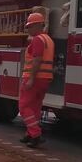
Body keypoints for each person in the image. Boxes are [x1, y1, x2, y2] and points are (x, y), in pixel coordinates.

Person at [18, 13, 54, 148]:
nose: (29, 29)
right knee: (35, 107)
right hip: (45, 79)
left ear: (39, 25)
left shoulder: (38, 39)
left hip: (35, 78)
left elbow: (37, 59)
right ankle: (30, 133)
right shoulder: (48, 40)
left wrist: (31, 78)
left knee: (24, 106)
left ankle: (35, 134)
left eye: (31, 26)